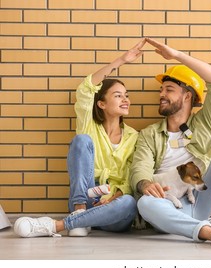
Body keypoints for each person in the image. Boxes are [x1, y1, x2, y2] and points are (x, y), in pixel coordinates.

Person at [13, 39, 146, 238]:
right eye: (118, 96)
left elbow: (130, 179)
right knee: (81, 140)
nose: (126, 100)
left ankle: (59, 225)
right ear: (101, 104)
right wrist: (121, 60)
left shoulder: (134, 137)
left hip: (113, 209)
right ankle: (79, 211)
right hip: (86, 198)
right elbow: (85, 89)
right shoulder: (89, 125)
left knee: (129, 203)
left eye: (126, 95)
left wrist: (114, 197)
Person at [130, 38, 211, 247]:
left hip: (203, 200)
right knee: (145, 203)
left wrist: (177, 56)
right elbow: (140, 167)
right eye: (161, 90)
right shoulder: (149, 134)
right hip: (169, 205)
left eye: (169, 89)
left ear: (187, 96)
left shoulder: (204, 124)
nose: (161, 95)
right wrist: (145, 183)